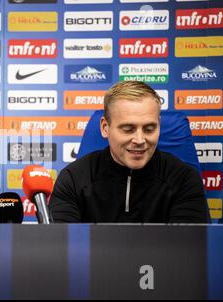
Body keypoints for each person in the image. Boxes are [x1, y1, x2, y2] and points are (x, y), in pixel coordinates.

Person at [49, 80, 209, 223]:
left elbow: (188, 251)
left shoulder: (184, 179)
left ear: (159, 126)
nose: (139, 140)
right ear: (105, 128)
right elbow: (62, 249)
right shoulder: (73, 179)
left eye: (149, 129)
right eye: (128, 129)